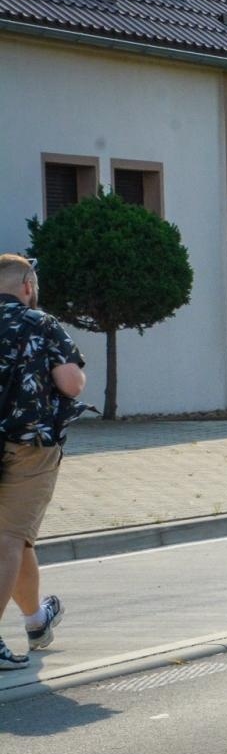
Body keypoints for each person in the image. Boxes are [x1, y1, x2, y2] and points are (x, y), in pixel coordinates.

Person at [0, 254, 87, 670]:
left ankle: (36, 622)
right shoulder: (42, 324)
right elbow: (70, 382)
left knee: (17, 539)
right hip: (27, 444)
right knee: (9, 539)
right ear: (28, 287)